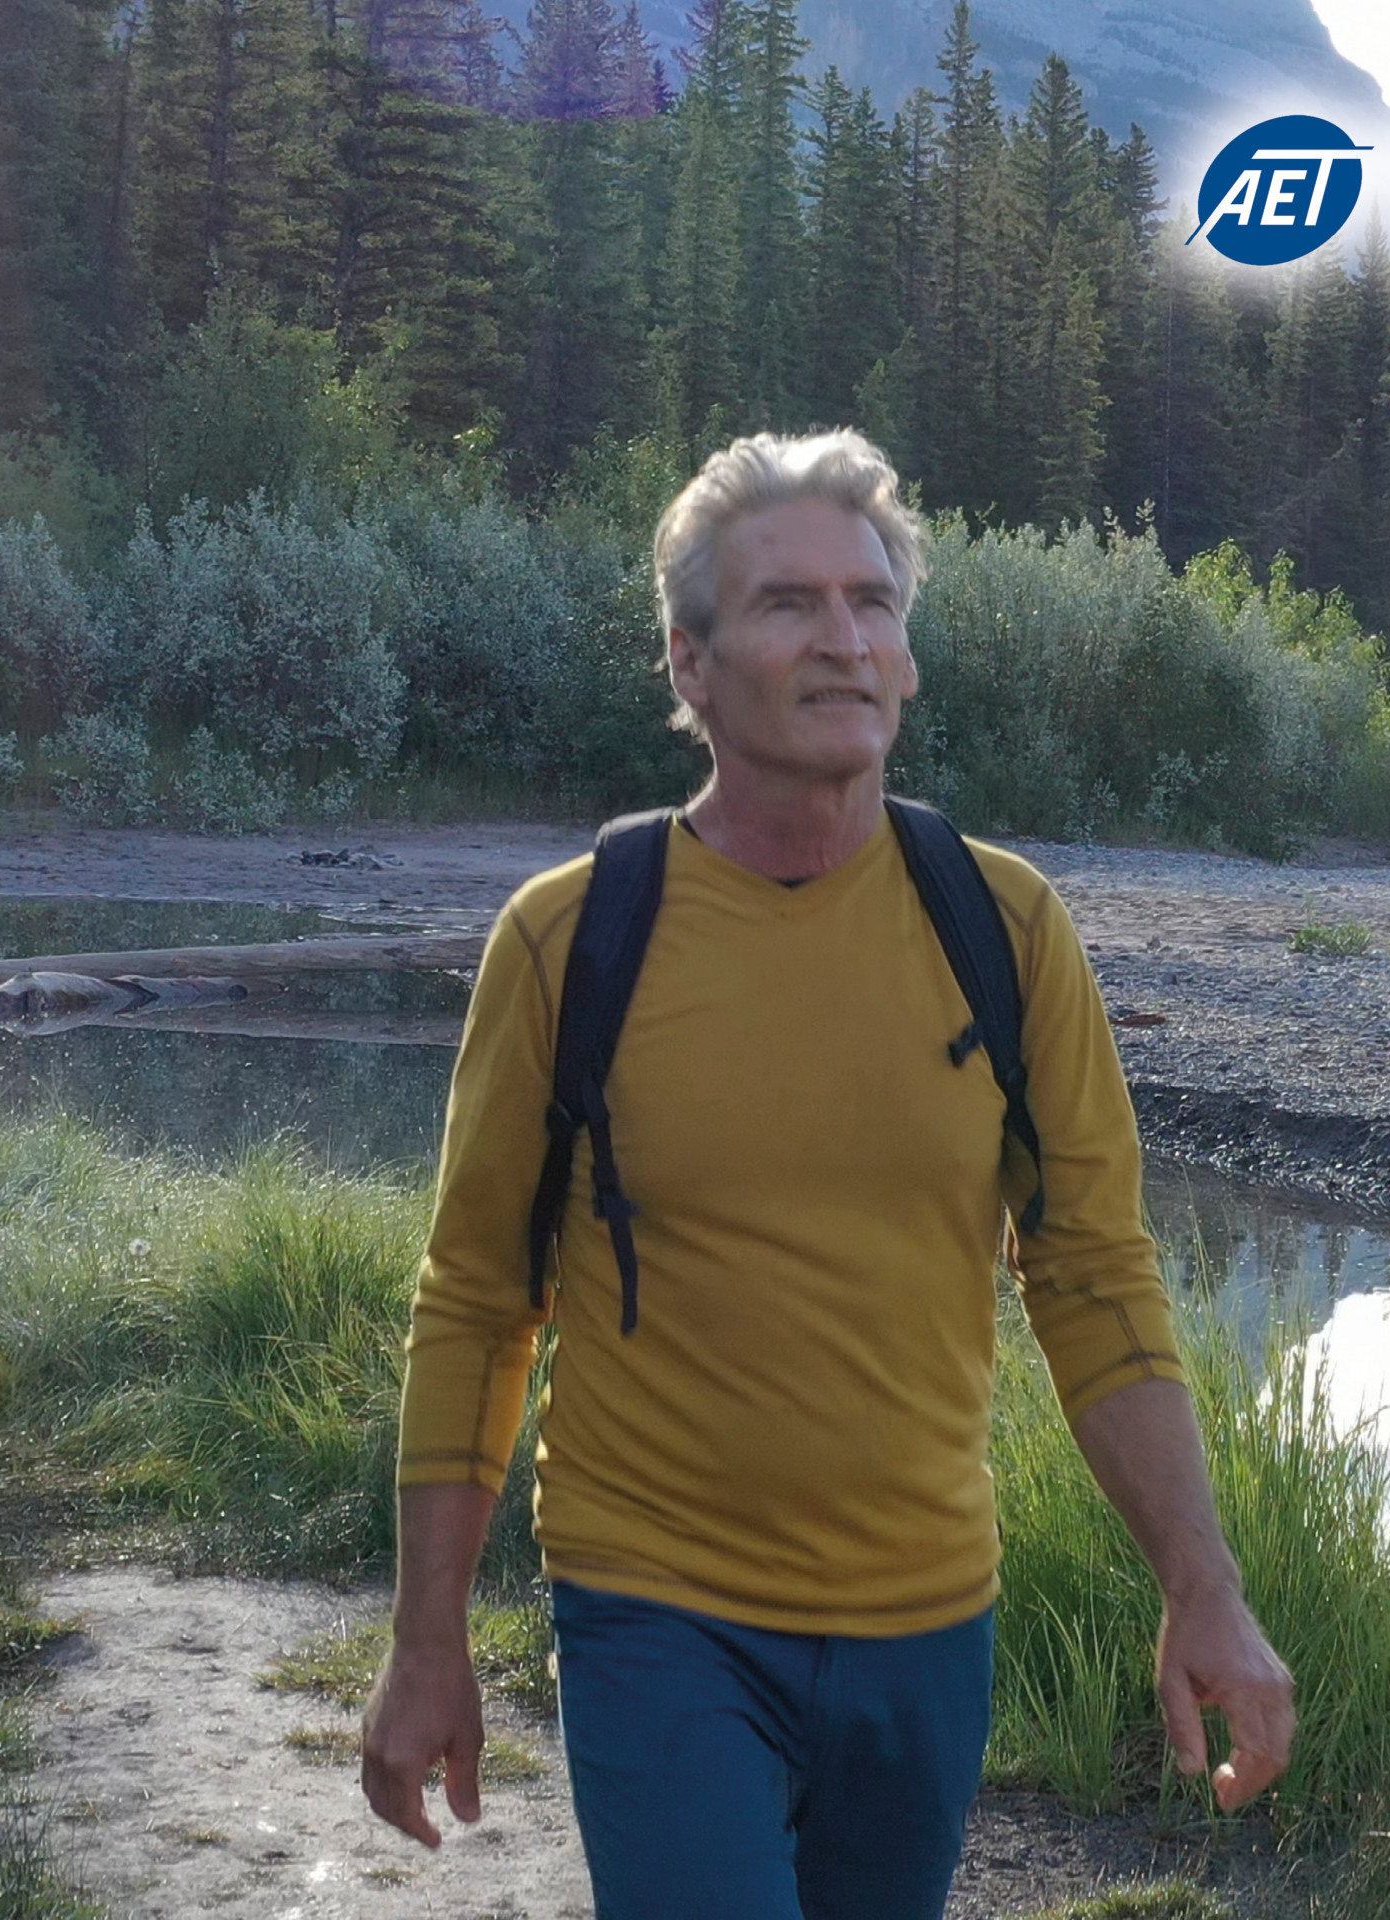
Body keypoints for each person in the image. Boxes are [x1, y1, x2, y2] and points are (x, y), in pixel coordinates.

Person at [360, 428, 1295, 1918]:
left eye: (872, 603)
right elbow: (477, 1301)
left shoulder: (1003, 929)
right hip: (654, 1607)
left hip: (928, 1621)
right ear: (691, 660)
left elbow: (1094, 1277)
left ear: (907, 661)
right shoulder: (569, 938)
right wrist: (428, 1642)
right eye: (789, 603)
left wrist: (1205, 1586)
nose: (844, 639)